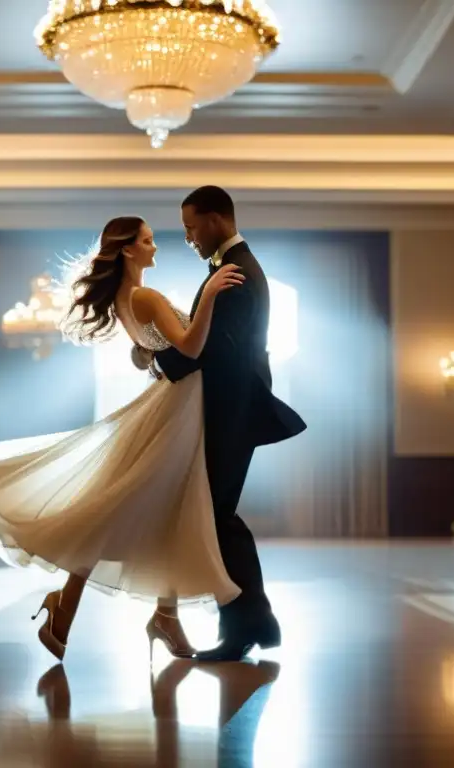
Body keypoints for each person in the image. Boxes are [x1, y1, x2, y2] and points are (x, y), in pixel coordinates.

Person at [0, 214, 249, 661]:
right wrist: (212, 297)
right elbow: (192, 347)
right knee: (139, 510)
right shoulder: (145, 295)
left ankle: (155, 615)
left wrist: (152, 353)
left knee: (162, 512)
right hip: (176, 411)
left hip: (173, 405)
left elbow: (149, 356)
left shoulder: (127, 297)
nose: (155, 246)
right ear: (127, 249)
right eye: (147, 240)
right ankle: (88, 610)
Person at [136, 185, 306, 661]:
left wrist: (159, 365)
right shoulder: (231, 268)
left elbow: (218, 351)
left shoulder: (234, 273)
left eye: (191, 227)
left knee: (217, 518)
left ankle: (249, 624)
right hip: (232, 409)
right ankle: (254, 621)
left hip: (231, 412)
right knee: (218, 517)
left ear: (215, 220)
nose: (188, 237)